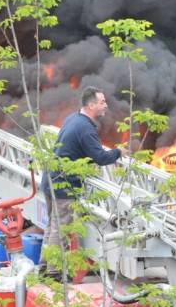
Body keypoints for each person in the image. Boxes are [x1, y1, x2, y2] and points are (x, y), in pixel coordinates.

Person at [39, 87, 123, 255]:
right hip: (64, 185)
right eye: (102, 102)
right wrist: (119, 152)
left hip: (51, 178)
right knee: (60, 229)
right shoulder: (86, 128)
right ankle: (54, 272)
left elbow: (76, 149)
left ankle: (44, 267)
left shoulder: (73, 119)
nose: (106, 105)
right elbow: (101, 158)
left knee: (51, 227)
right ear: (91, 105)